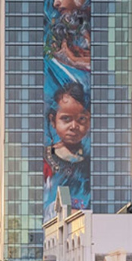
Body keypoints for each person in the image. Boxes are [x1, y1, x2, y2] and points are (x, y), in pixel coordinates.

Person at [43, 81, 91, 209]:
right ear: (53, 120)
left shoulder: (90, 162)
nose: (74, 126)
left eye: (81, 119)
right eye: (66, 119)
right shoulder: (45, 160)